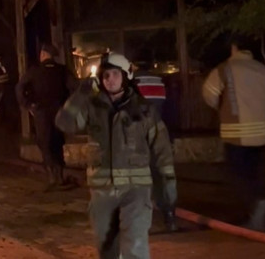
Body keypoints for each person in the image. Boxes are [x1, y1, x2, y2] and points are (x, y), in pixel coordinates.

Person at [56, 52, 175, 259]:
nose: (109, 79)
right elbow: (64, 122)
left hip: (136, 190)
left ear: (126, 76)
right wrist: (80, 94)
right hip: (102, 192)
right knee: (107, 249)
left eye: (115, 74)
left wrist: (167, 193)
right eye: (106, 75)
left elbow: (162, 151)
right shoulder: (92, 107)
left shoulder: (144, 110)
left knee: (135, 245)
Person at [202, 35, 265, 230]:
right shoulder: (262, 69)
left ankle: (257, 202)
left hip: (237, 132)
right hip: (262, 132)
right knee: (252, 170)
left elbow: (209, 94)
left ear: (233, 48)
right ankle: (255, 212)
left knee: (237, 173)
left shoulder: (225, 69)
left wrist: (223, 108)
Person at [16, 44, 76, 189]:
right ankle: (59, 176)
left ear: (43, 54)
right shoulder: (62, 70)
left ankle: (51, 176)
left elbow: (19, 87)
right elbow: (74, 87)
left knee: (45, 143)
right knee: (57, 141)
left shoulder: (34, 71)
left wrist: (27, 105)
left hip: (41, 112)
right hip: (59, 111)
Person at [133, 69, 178, 232]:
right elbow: (170, 109)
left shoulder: (131, 81)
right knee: (165, 173)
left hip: (140, 133)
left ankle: (142, 220)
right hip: (161, 131)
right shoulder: (160, 81)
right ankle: (170, 216)